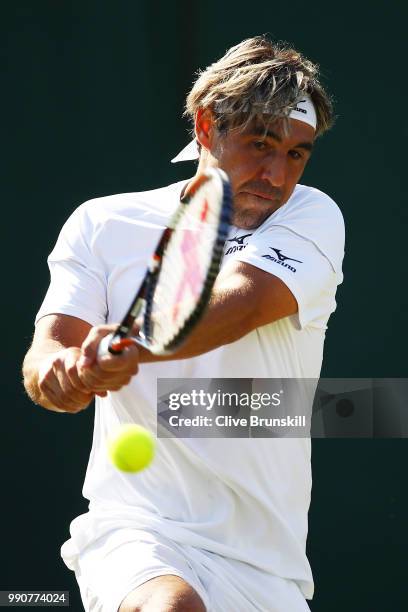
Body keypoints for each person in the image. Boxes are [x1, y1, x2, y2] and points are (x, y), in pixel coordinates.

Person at [22, 36, 344, 612]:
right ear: (205, 125)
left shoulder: (312, 215)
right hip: (138, 530)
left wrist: (130, 345)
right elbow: (50, 350)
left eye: (297, 153)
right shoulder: (101, 222)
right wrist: (61, 377)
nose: (276, 174)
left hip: (266, 568)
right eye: (260, 144)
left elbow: (241, 304)